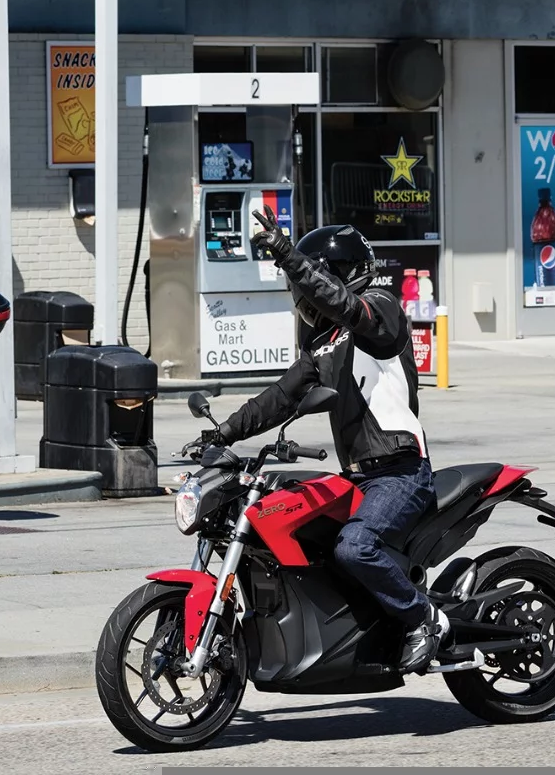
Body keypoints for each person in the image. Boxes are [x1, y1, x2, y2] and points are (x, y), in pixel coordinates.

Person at [189, 209, 448, 673]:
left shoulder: (381, 309)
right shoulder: (324, 343)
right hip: (358, 478)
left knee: (355, 547)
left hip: (400, 473)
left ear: (339, 276)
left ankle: (421, 619)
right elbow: (281, 397)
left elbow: (347, 308)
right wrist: (221, 432)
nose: (303, 297)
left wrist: (288, 255)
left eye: (312, 283)